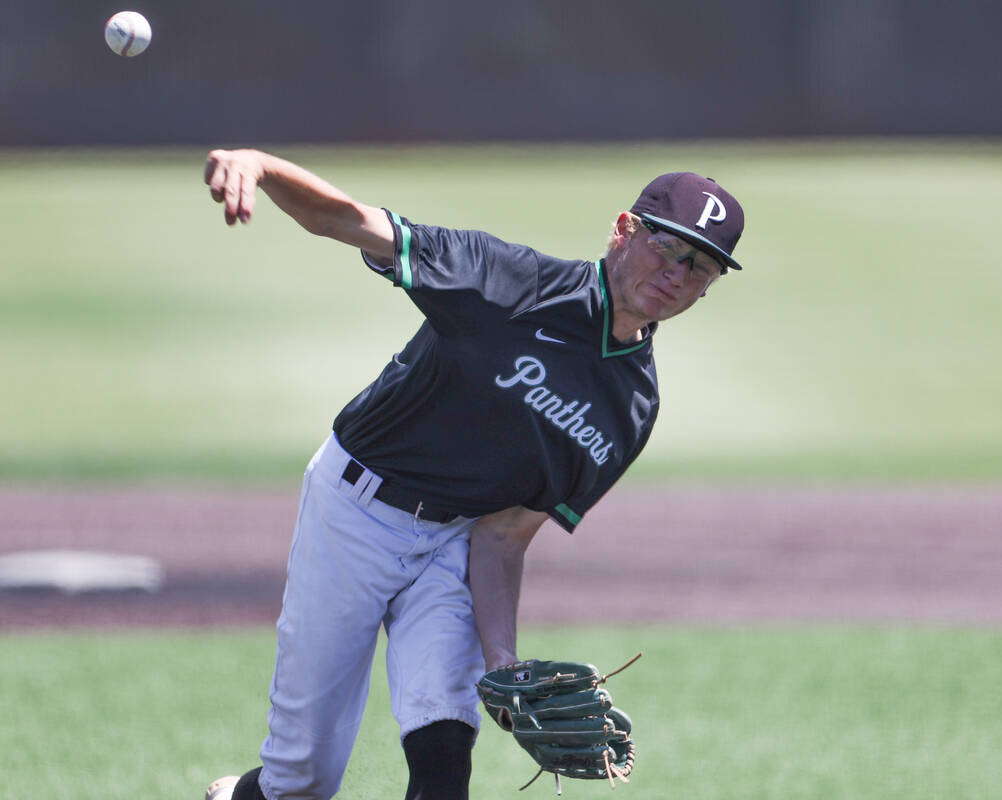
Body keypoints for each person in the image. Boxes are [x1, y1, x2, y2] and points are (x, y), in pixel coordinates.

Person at [200, 149, 745, 800]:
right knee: (303, 780)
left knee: (443, 755)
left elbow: (505, 534)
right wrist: (259, 166)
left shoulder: (631, 406)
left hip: (451, 549)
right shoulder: (507, 282)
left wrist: (502, 662)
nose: (676, 274)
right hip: (354, 513)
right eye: (666, 248)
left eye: (699, 266)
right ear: (625, 230)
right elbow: (345, 220)